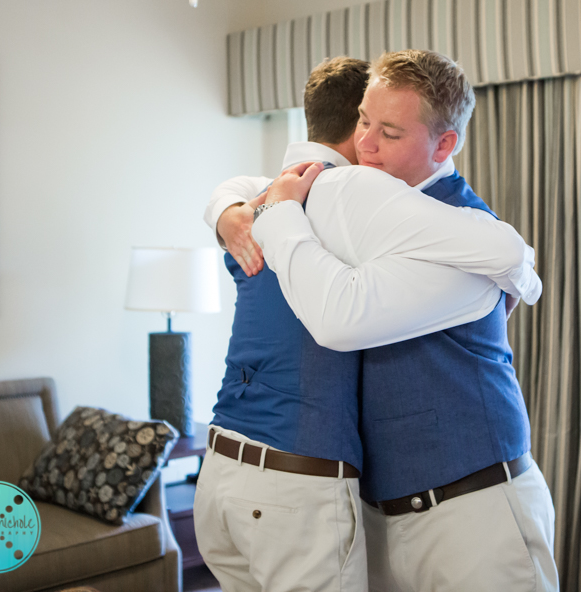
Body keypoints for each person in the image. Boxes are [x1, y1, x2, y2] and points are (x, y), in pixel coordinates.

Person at [195, 56, 540, 592]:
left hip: (473, 513)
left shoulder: (466, 245)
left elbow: (341, 316)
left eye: (391, 132)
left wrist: (278, 214)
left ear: (444, 146)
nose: (367, 145)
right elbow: (260, 179)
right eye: (363, 122)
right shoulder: (349, 202)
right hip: (378, 518)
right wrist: (226, 209)